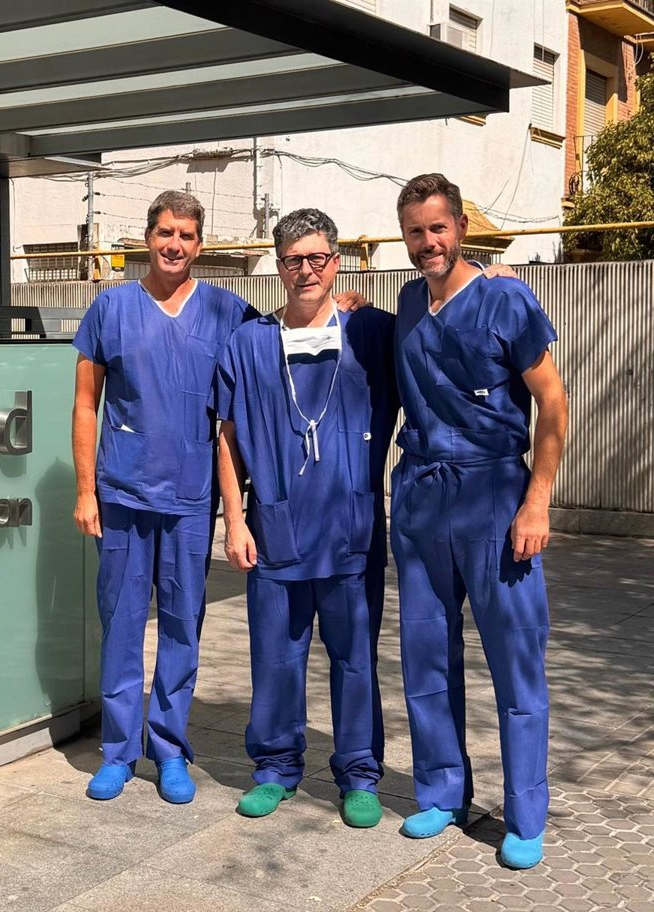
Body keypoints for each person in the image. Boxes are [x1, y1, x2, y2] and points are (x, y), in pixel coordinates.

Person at [391, 174, 567, 869]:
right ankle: (442, 792)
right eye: (415, 230)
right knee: (426, 651)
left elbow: (552, 401)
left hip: (494, 493)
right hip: (421, 494)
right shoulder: (407, 302)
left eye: (438, 227)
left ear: (461, 227)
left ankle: (524, 813)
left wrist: (537, 499)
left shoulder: (506, 298)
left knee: (515, 657)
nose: (428, 242)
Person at [213, 208, 398, 827]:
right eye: (294, 260)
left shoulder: (370, 334)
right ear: (278, 266)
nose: (306, 271)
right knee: (275, 660)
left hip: (350, 531)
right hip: (276, 530)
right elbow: (228, 438)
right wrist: (235, 520)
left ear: (336, 263)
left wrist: (487, 271)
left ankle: (359, 775)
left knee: (355, 660)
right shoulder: (249, 344)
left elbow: (443, 317)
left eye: (317, 258)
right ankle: (275, 768)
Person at [71, 190, 252, 803]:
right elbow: (85, 404)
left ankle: (170, 748)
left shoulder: (226, 311)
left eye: (187, 235)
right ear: (147, 237)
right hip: (122, 493)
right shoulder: (111, 308)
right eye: (165, 232)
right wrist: (86, 490)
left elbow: (285, 329)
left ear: (200, 244)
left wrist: (348, 302)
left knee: (181, 624)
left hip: (190, 497)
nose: (175, 245)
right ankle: (119, 751)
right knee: (121, 624)